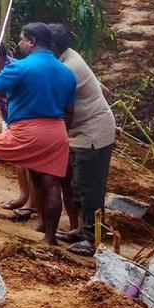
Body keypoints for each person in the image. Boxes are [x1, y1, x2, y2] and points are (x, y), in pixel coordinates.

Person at [0, 22, 76, 245]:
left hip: (26, 130)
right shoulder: (66, 72)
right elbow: (70, 111)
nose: (18, 44)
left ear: (31, 41)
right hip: (57, 131)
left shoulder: (21, 67)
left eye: (21, 39)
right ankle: (50, 240)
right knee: (51, 184)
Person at [48, 23, 117, 257]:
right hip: (83, 131)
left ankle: (93, 239)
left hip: (93, 132)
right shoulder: (65, 59)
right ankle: (82, 229)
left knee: (90, 188)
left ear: (54, 46)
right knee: (78, 184)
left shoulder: (69, 68)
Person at [0, 34, 36, 220]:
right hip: (9, 118)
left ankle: (32, 203)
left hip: (23, 120)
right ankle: (24, 196)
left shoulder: (11, 68)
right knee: (19, 161)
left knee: (29, 162)